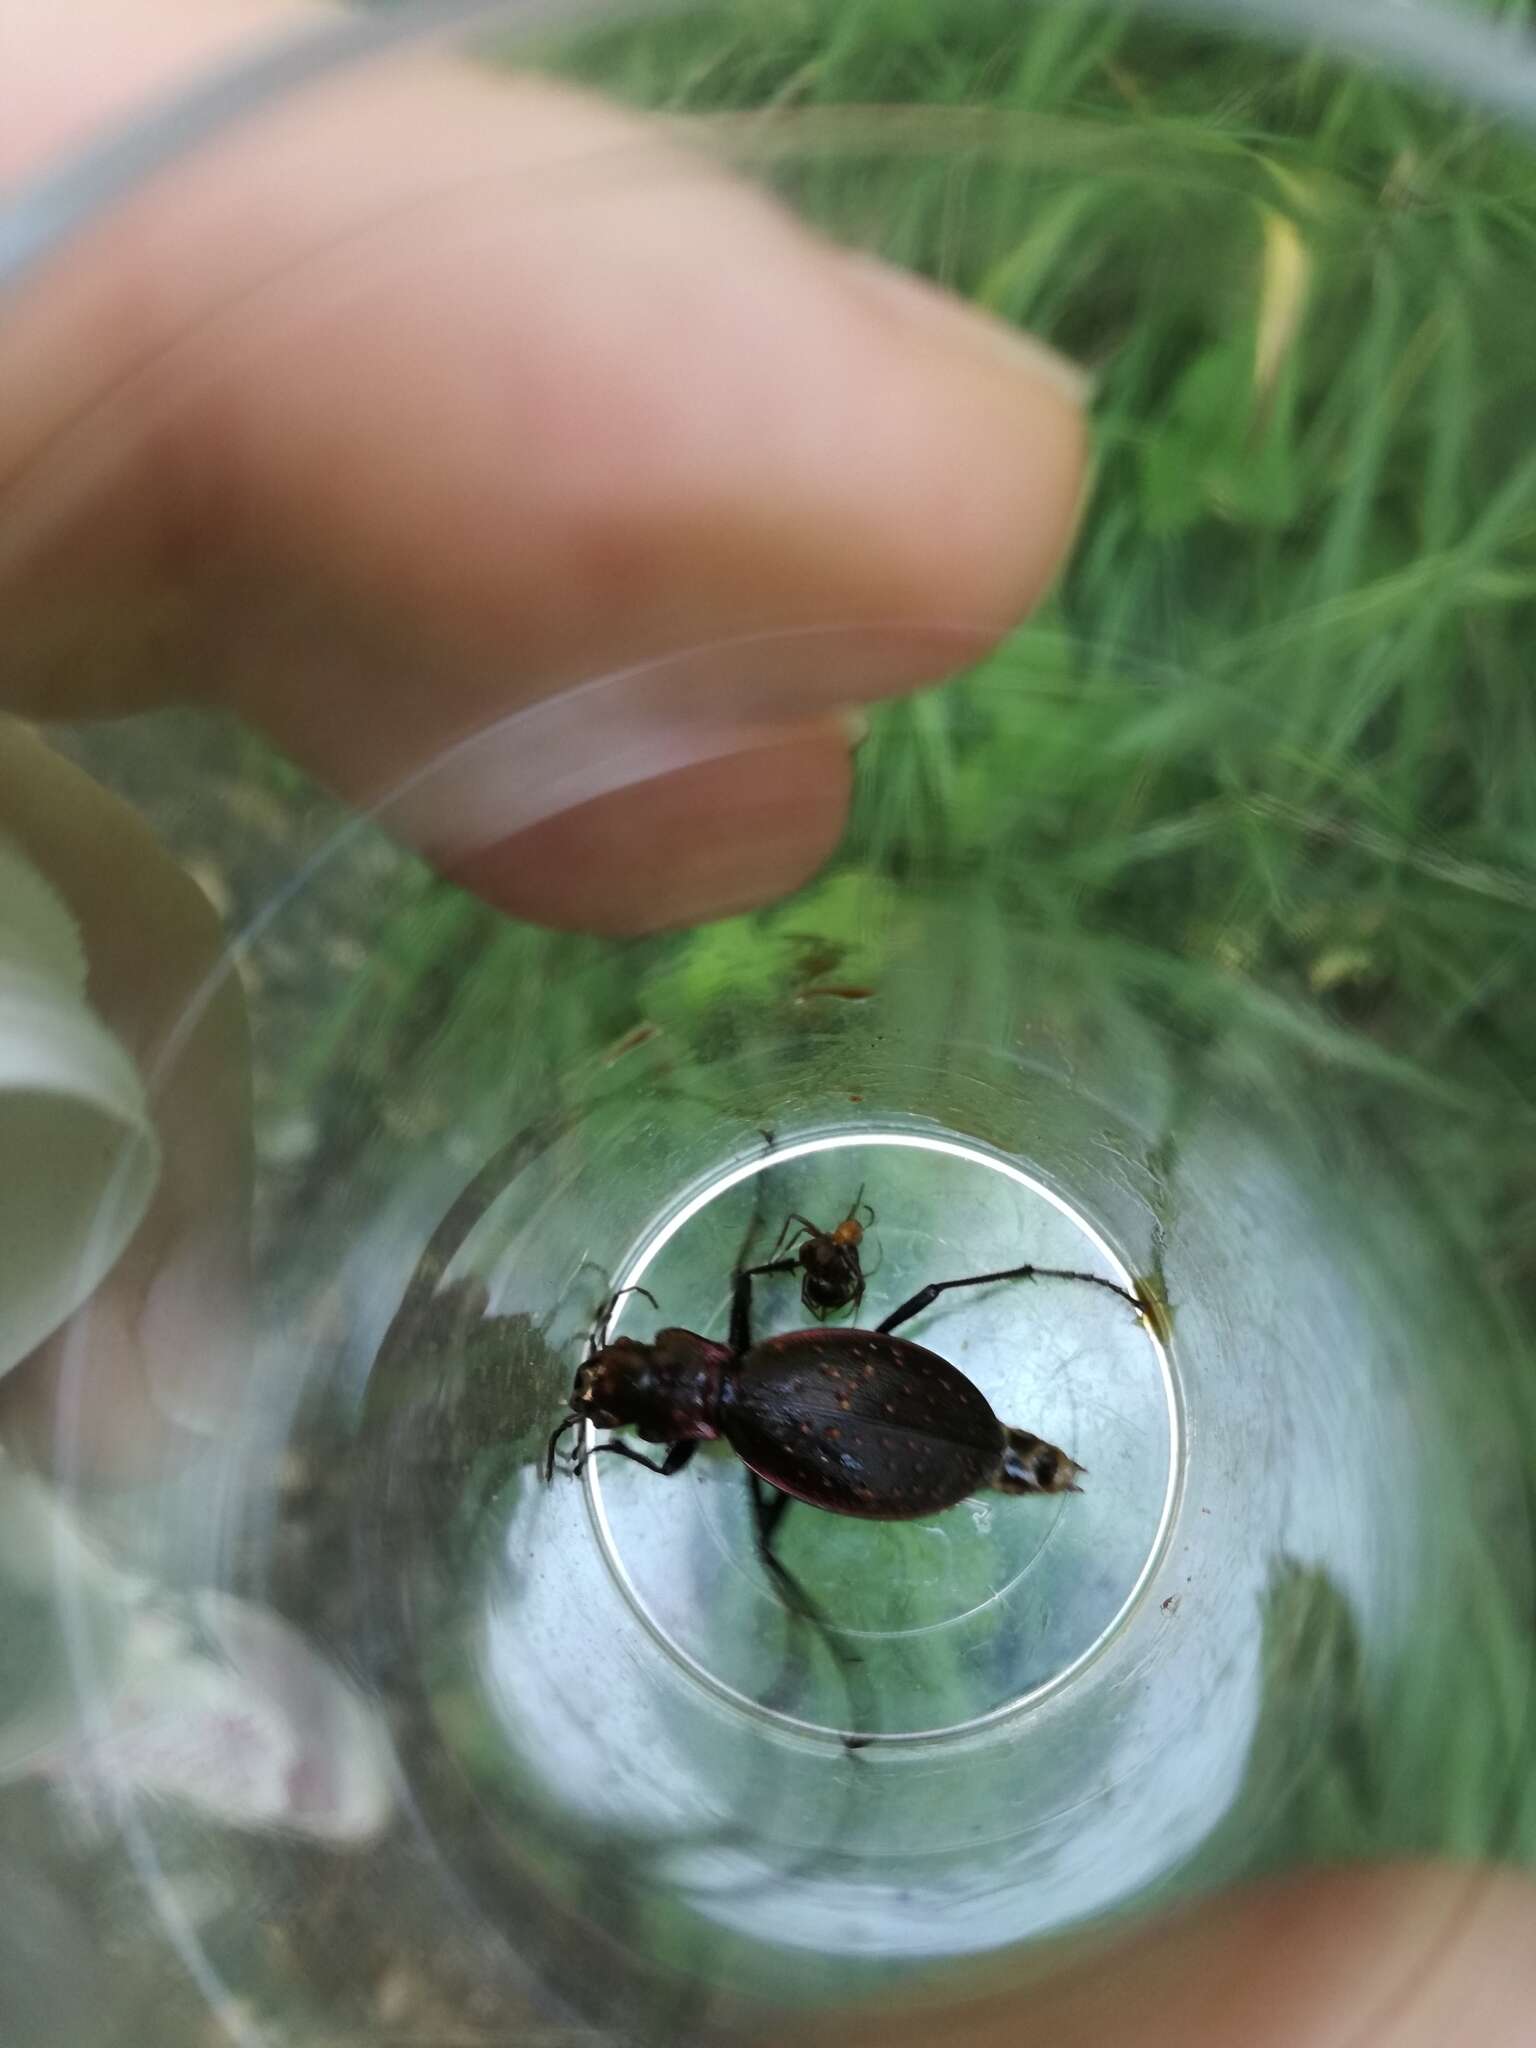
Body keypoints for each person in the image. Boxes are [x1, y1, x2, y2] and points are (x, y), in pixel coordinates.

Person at [0, 5, 1529, 2040]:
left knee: (916, 1371)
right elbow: (796, 1369)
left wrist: (777, 1365)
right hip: (913, 1430)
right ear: (677, 1401)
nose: (645, 1382)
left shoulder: (731, 1395)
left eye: (638, 1382)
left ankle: (985, 1462)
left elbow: (774, 1377)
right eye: (640, 1386)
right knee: (910, 1366)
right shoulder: (750, 1384)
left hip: (922, 1433)